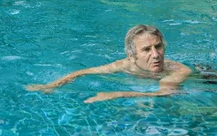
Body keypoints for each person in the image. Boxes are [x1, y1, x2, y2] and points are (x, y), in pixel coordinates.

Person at [26, 25, 192, 103]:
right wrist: (50, 86)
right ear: (131, 56)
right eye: (147, 49)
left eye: (158, 47)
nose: (155, 55)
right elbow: (83, 72)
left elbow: (162, 94)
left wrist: (117, 94)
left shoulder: (177, 71)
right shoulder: (125, 65)